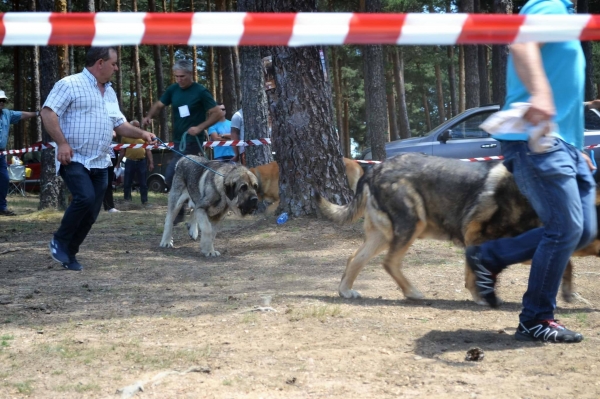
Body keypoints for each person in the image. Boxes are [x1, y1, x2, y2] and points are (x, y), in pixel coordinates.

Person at [465, 0, 596, 343]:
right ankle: (536, 319)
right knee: (565, 228)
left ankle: (490, 256)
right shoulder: (549, 4)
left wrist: (579, 149)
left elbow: (566, 94)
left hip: (566, 145)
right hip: (537, 138)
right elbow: (521, 43)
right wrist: (539, 93)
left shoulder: (566, 15)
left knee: (580, 232)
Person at [41, 46, 156, 271]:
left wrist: (142, 134)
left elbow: (119, 124)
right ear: (100, 63)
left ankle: (69, 254)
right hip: (73, 157)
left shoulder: (110, 92)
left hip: (101, 160)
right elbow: (48, 112)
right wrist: (62, 143)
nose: (116, 68)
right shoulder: (69, 84)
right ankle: (59, 241)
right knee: (84, 197)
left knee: (93, 211)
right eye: (113, 64)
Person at [142, 59, 223, 189]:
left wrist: (200, 127)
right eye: (176, 76)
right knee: (186, 176)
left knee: (171, 175)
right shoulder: (173, 90)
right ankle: (191, 203)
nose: (179, 80)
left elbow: (217, 113)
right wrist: (149, 116)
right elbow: (159, 104)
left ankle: (184, 206)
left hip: (193, 142)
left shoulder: (200, 91)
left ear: (190, 74)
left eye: (182, 76)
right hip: (178, 141)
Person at [0, 90, 40, 216]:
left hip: (1, 155)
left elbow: (22, 115)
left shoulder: (6, 114)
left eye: (3, 101)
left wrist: (39, 113)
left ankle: (1, 207)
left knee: (4, 179)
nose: (1, 103)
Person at [117, 120, 154, 205]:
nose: (138, 128)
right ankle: (127, 200)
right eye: (136, 126)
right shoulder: (125, 136)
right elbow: (122, 151)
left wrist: (151, 162)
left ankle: (145, 201)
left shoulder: (143, 136)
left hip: (142, 162)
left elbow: (148, 150)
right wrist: (118, 163)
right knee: (127, 182)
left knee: (143, 183)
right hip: (129, 161)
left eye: (138, 127)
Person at [102, 131, 119, 213]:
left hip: (110, 159)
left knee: (108, 184)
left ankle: (109, 207)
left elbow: (114, 134)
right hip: (98, 159)